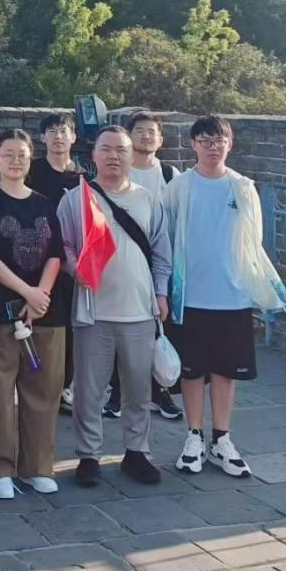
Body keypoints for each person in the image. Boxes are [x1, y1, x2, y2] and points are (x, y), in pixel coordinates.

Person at [163, 116, 286, 480]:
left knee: (225, 371)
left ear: (230, 144)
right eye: (205, 140)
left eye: (219, 139)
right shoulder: (179, 187)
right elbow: (165, 234)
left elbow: (254, 242)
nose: (213, 146)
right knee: (191, 371)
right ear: (193, 144)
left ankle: (222, 438)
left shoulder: (243, 187)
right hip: (189, 295)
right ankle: (193, 436)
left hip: (232, 296)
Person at [58, 126, 170, 489]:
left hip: (139, 311)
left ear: (131, 155)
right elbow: (62, 246)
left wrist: (161, 294)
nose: (113, 156)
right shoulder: (75, 199)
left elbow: (161, 253)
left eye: (121, 150)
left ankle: (136, 451)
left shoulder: (147, 199)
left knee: (138, 388)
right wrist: (76, 269)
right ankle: (88, 455)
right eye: (106, 149)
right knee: (88, 390)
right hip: (93, 311)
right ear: (93, 155)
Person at [0, 129, 66, 500]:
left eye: (22, 155)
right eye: (8, 154)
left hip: (44, 311)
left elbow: (56, 254)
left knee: (43, 391)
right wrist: (26, 292)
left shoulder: (44, 204)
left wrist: (40, 294)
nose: (16, 161)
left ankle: (37, 466)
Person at [106, 111, 184, 422]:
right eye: (140, 130)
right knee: (118, 326)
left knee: (158, 325)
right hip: (121, 262)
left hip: (160, 261)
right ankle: (118, 390)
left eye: (152, 131)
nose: (146, 136)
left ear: (161, 139)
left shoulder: (170, 175)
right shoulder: (119, 172)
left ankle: (159, 389)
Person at [26, 112, 83, 414]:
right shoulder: (31, 172)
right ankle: (34, 383)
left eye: (63, 131)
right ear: (42, 137)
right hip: (36, 261)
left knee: (70, 327)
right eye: (52, 131)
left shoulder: (84, 176)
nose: (58, 136)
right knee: (38, 323)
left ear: (74, 136)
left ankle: (64, 385)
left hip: (71, 262)